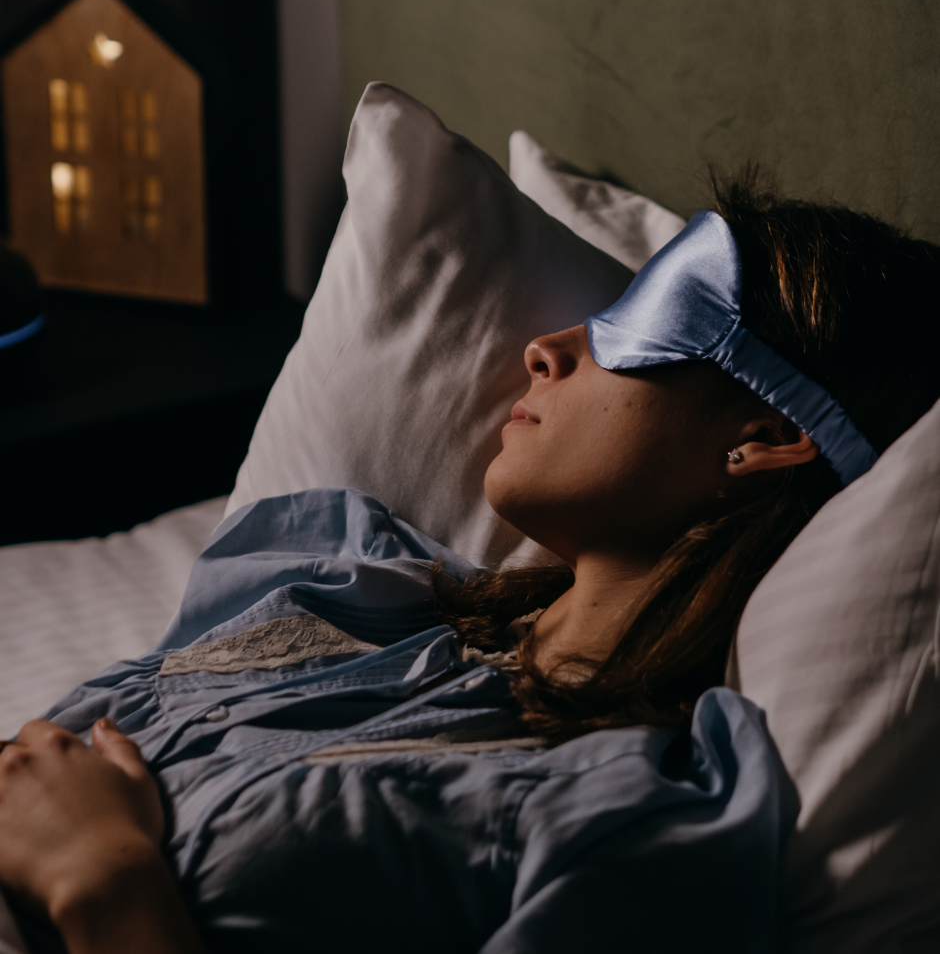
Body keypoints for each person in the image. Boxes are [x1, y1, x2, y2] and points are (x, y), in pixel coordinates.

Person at [0, 172, 938, 954]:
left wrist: (109, 888)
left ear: (766, 434)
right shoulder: (347, 584)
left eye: (635, 323)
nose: (546, 349)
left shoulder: (627, 823)